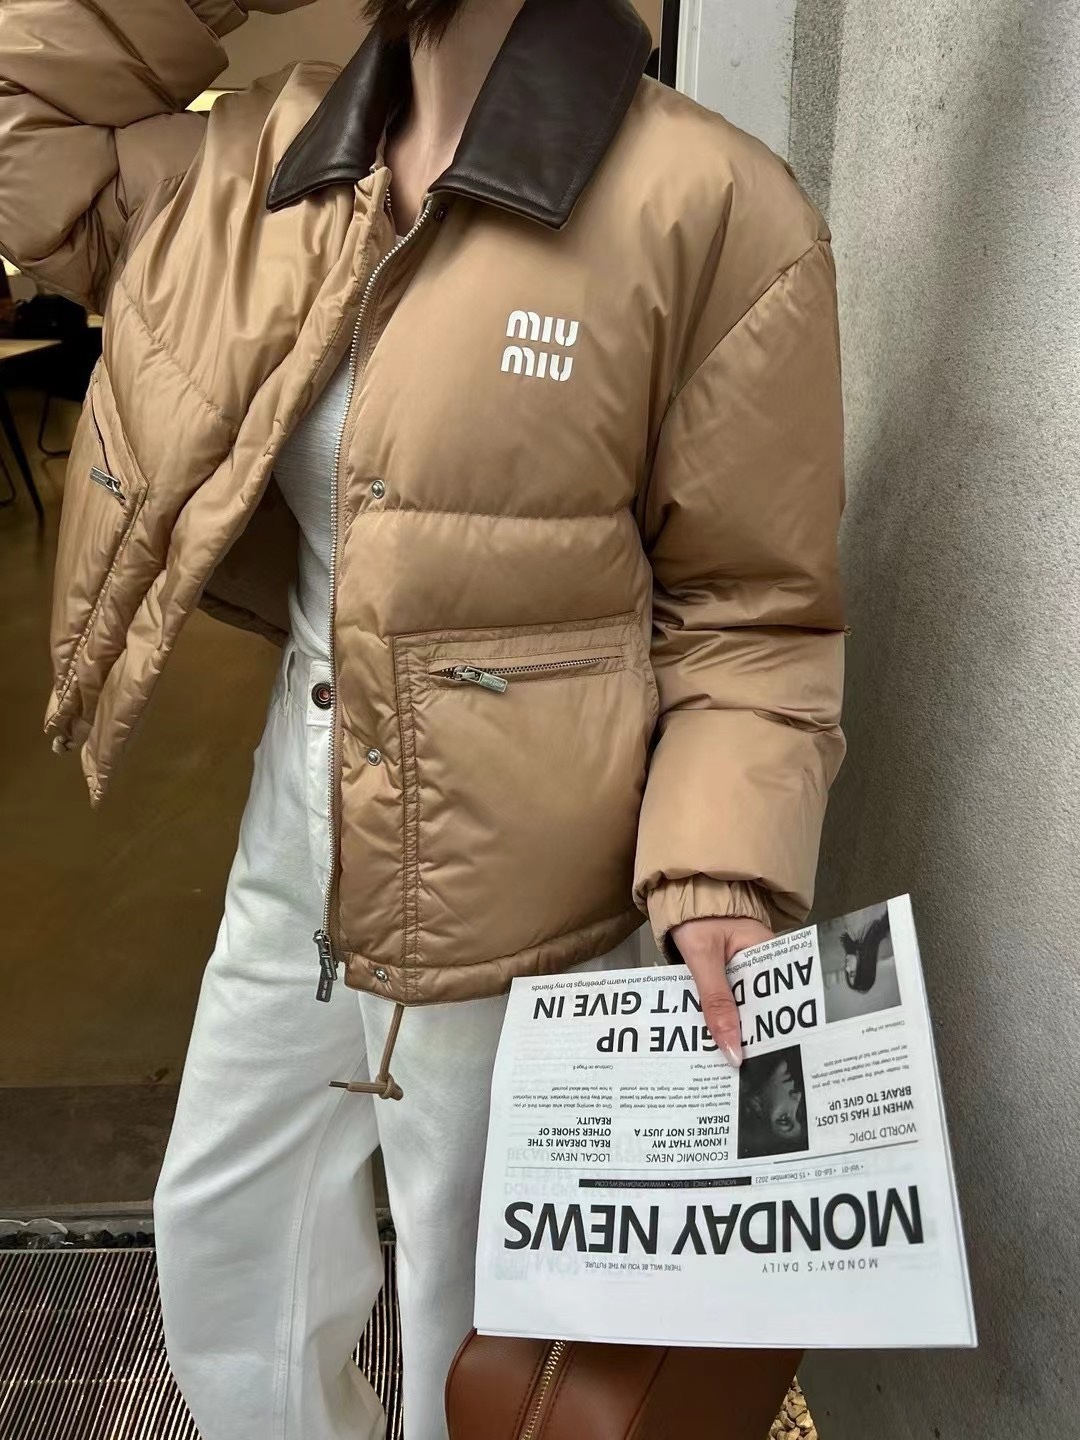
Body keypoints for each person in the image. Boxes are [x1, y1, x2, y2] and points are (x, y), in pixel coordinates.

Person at [0, 0, 847, 1434]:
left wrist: (719, 871)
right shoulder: (262, 159)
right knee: (229, 1249)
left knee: (487, 1342)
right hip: (298, 849)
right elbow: (25, 134)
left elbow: (751, 611)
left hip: (532, 892)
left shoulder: (711, 206)